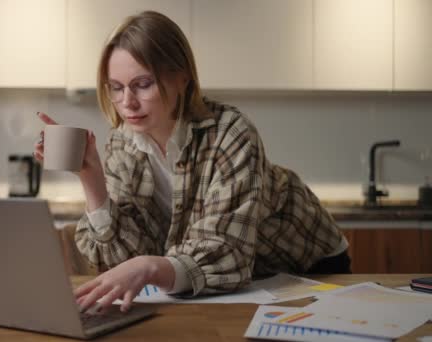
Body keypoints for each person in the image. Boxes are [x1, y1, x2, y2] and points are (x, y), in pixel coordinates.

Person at [34, 10, 350, 313]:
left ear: (182, 77)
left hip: (308, 265)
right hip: (242, 282)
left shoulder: (230, 132)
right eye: (116, 88)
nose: (127, 102)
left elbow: (226, 252)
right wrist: (91, 179)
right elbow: (129, 254)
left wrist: (149, 266)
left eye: (143, 84)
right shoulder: (122, 142)